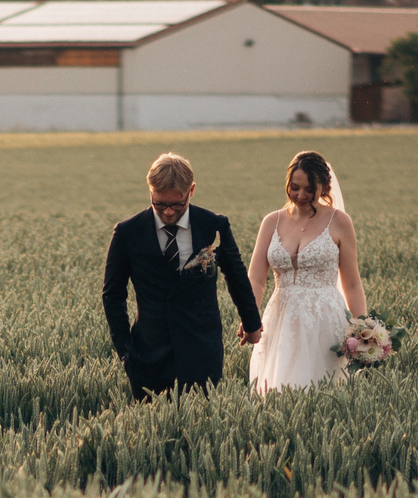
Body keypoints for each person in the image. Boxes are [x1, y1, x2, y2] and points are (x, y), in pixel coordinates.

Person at [102, 153, 262, 400]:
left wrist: (251, 324)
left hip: (202, 350)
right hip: (148, 355)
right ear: (150, 191)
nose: (167, 212)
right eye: (159, 204)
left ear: (191, 191)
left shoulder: (213, 226)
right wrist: (126, 351)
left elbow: (236, 275)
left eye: (177, 205)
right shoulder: (128, 232)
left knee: (202, 421)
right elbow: (113, 294)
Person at [246, 150, 371, 395]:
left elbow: (352, 284)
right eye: (295, 187)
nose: (301, 195)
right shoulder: (271, 222)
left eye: (309, 189)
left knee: (322, 391)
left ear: (324, 187)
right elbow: (256, 279)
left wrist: (363, 331)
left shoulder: (340, 222)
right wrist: (250, 318)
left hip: (324, 321)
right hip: (281, 319)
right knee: (278, 392)